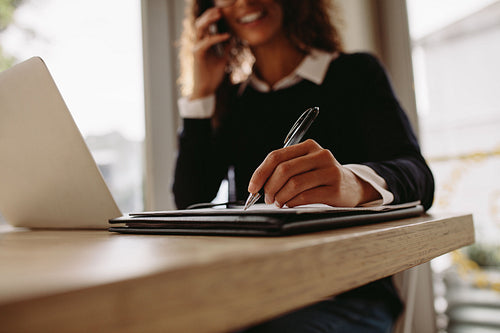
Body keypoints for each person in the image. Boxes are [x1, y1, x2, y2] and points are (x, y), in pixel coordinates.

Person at [173, 0, 435, 331]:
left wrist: (352, 184)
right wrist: (200, 94)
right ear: (213, 11)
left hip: (345, 298)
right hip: (253, 295)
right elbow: (188, 198)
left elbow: (420, 178)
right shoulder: (234, 102)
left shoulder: (355, 74)